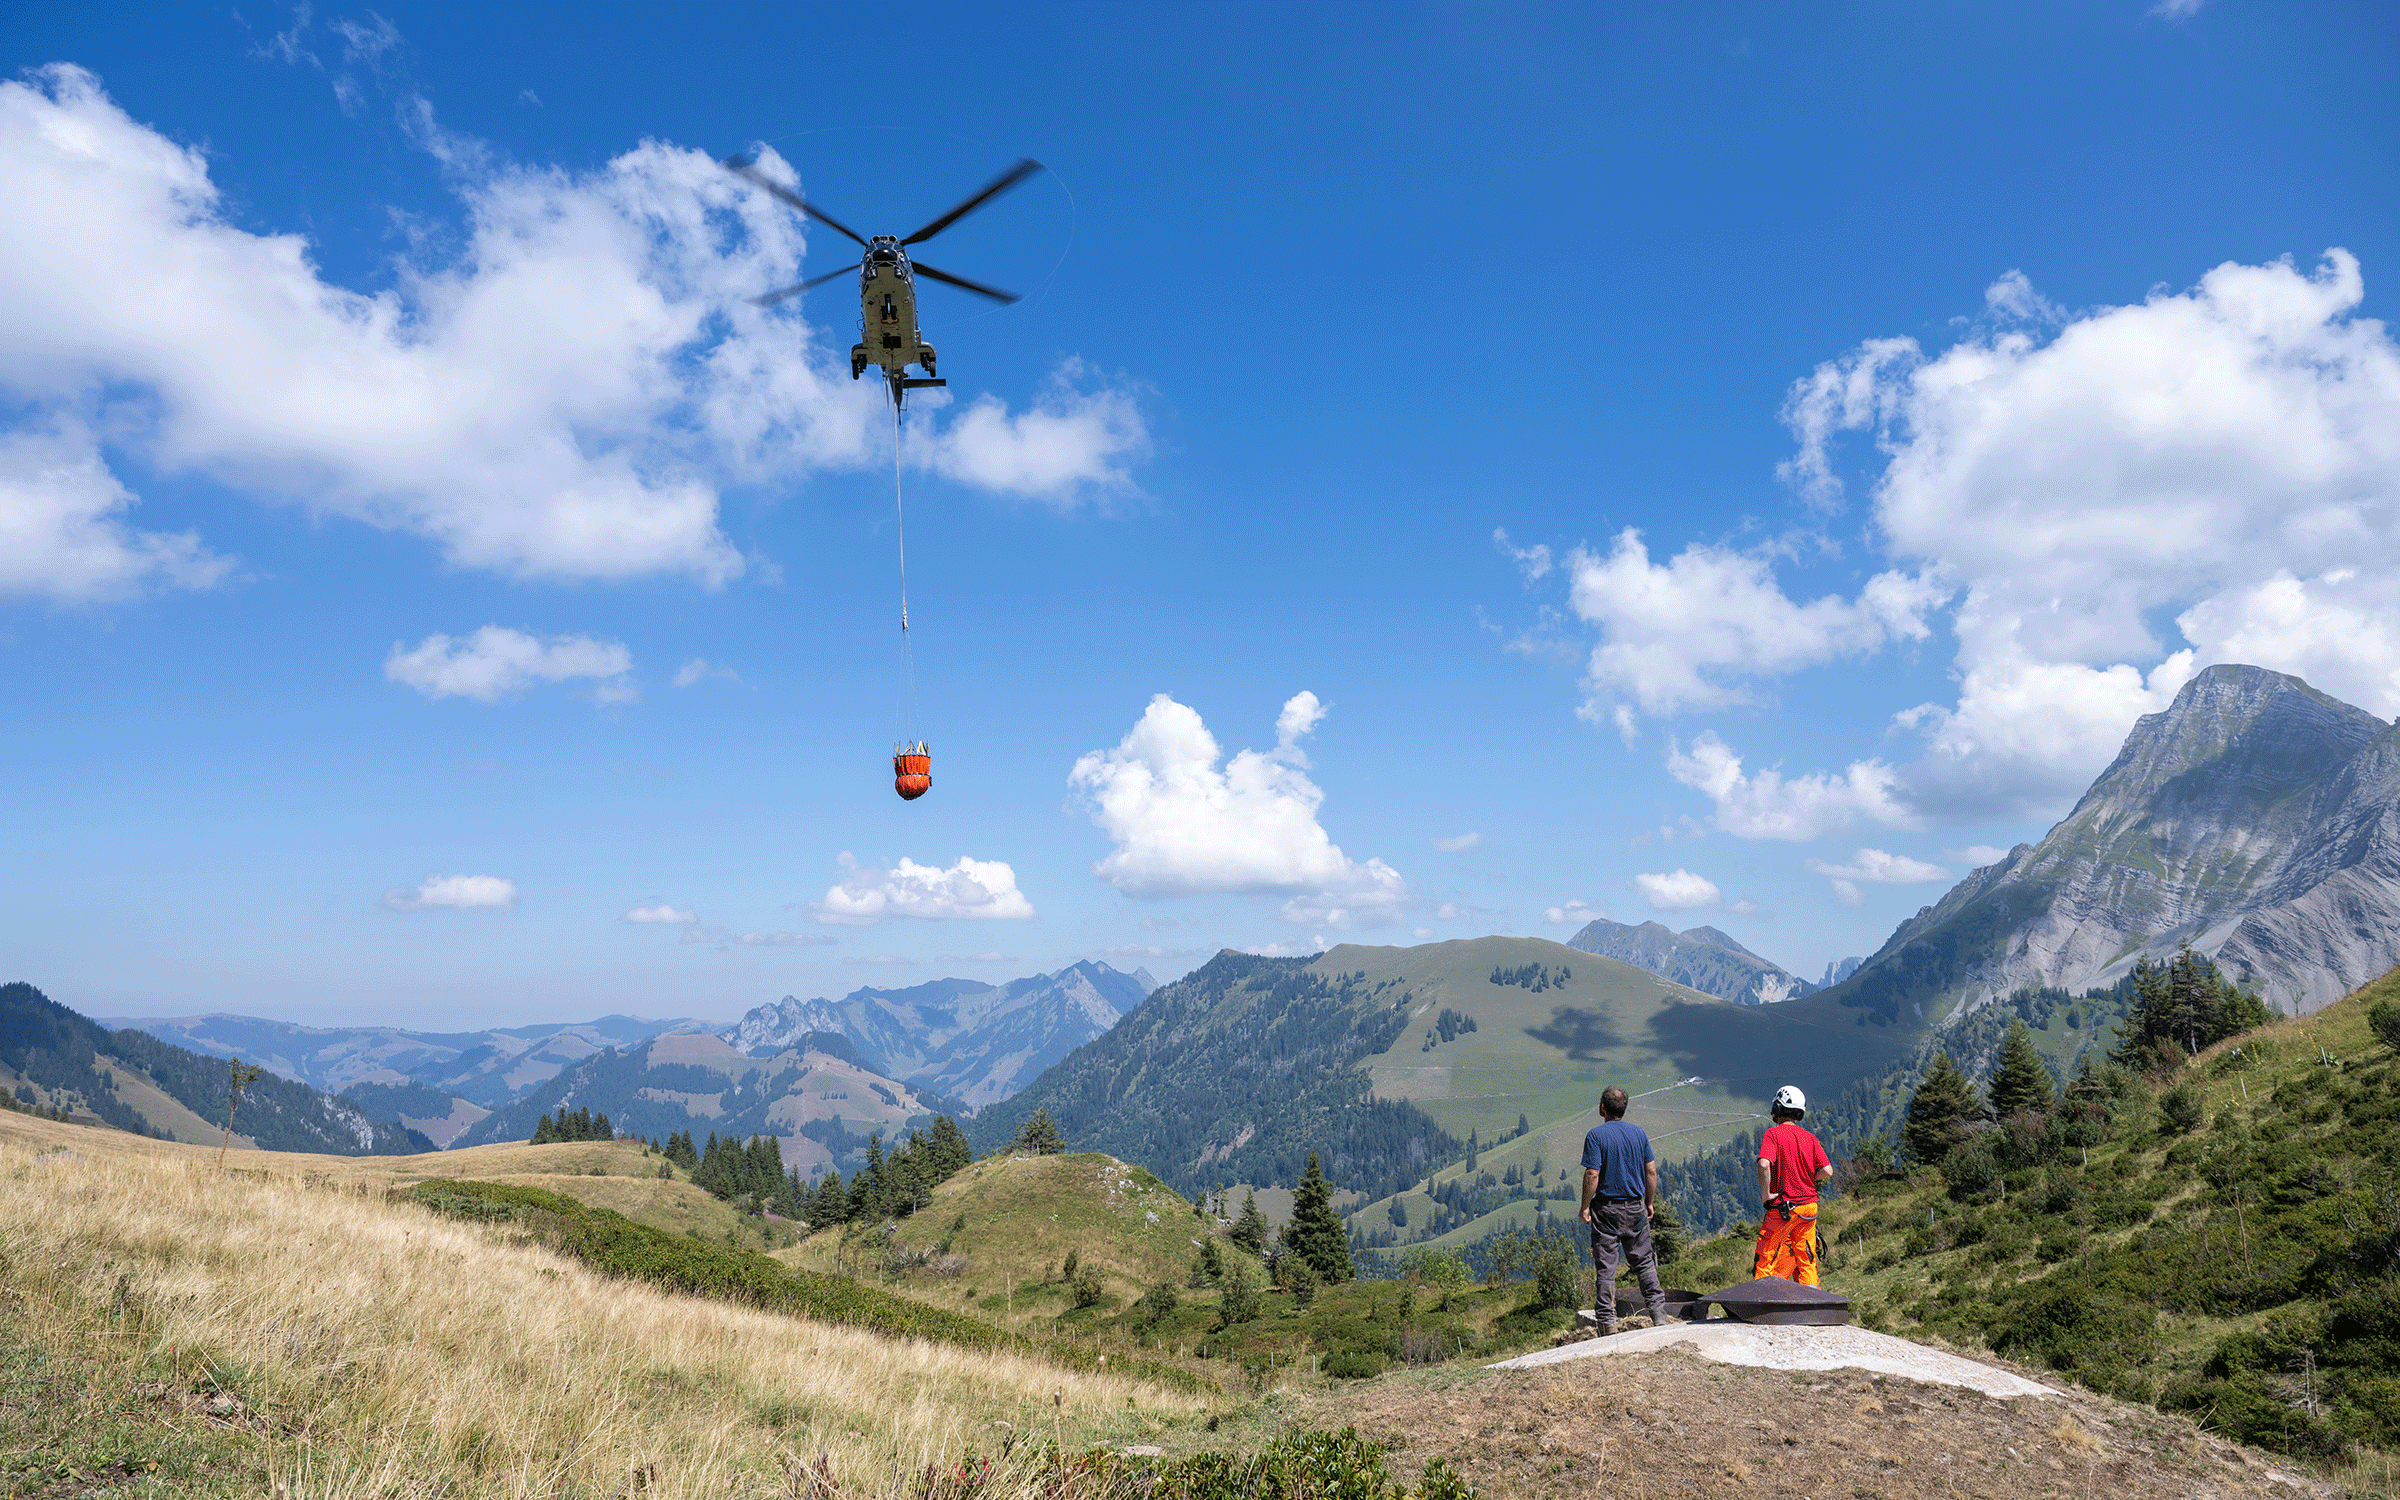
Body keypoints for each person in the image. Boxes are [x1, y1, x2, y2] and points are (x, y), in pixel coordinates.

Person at [1579, 1086, 1668, 1334]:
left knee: (1606, 1269)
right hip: (1635, 1207)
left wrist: (1585, 1206)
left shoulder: (1596, 1136)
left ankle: (1607, 1325)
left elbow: (1592, 1173)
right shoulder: (1638, 1134)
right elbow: (1651, 1171)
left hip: (1607, 1210)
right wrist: (1649, 1202)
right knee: (1644, 1264)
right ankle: (1658, 1314)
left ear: (1602, 1108)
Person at [1754, 1084, 1834, 1286]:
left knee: (1766, 1255)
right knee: (1806, 1258)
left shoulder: (1773, 1135)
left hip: (1784, 1208)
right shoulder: (1810, 1138)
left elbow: (1764, 1164)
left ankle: (1761, 1302)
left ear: (1778, 1108)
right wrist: (1806, 1179)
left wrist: (1766, 1195)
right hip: (1809, 1209)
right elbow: (1827, 1171)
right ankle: (1812, 1302)